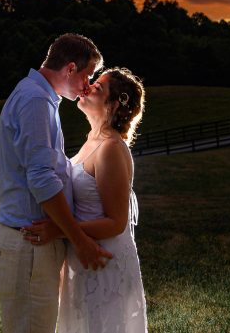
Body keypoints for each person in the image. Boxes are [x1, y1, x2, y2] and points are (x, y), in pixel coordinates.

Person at [0, 33, 113, 333]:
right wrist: (79, 239)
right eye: (87, 75)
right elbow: (41, 178)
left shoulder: (39, 96)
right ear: (70, 68)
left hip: (33, 241)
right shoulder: (35, 100)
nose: (88, 85)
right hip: (29, 244)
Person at [22, 66, 148, 333]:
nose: (88, 87)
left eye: (98, 88)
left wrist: (59, 230)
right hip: (84, 255)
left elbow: (115, 222)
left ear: (114, 105)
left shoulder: (111, 148)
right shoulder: (92, 140)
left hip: (103, 260)